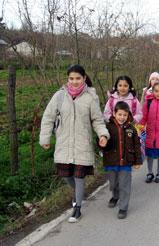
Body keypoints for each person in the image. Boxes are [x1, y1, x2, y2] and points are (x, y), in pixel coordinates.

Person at [39, 64, 109, 223]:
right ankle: (79, 193)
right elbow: (48, 117)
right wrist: (45, 138)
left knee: (79, 176)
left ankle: (77, 208)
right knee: (66, 175)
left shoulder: (91, 97)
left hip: (82, 143)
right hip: (63, 143)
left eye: (78, 78)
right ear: (67, 79)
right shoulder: (59, 96)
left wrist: (103, 134)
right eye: (71, 78)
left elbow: (97, 120)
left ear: (84, 78)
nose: (74, 81)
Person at [101, 101, 142, 219]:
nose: (122, 117)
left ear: (128, 115)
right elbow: (101, 142)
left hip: (126, 162)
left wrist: (137, 161)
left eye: (124, 115)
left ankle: (123, 207)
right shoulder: (108, 127)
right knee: (113, 184)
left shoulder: (131, 129)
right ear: (114, 113)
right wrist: (101, 143)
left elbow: (137, 146)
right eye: (119, 114)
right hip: (111, 161)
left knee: (124, 185)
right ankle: (115, 196)